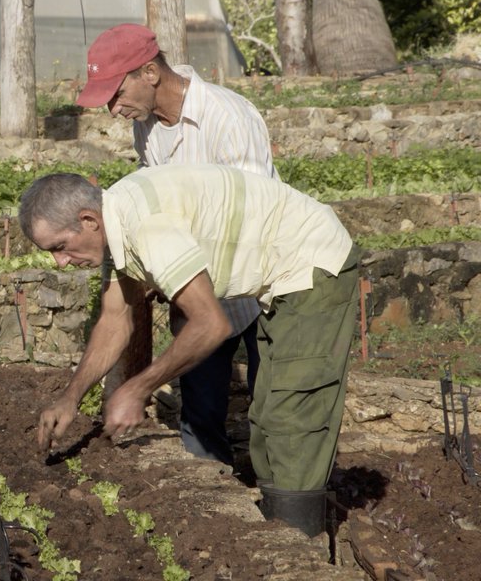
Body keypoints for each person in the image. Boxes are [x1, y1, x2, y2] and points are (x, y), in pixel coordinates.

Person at [21, 167, 360, 536]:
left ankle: (298, 545)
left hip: (311, 263)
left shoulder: (147, 227)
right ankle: (279, 530)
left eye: (59, 247)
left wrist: (137, 389)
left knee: (292, 413)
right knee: (266, 414)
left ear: (89, 221)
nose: (60, 262)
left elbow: (210, 325)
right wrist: (70, 398)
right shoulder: (117, 223)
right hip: (280, 278)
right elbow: (115, 321)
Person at [76, 23, 276, 467]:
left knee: (274, 411)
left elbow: (252, 215)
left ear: (149, 73)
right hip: (198, 286)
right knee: (200, 416)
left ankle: (276, 498)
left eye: (116, 94)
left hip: (262, 284)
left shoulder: (228, 117)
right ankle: (215, 499)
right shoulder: (146, 127)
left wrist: (167, 266)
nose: (113, 109)